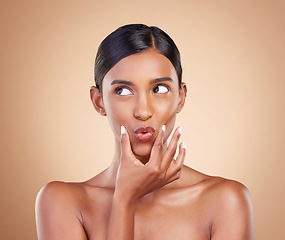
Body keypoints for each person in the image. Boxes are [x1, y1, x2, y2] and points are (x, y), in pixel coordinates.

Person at [35, 24, 254, 240]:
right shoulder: (62, 202)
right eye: (123, 90)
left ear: (181, 97)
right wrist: (124, 199)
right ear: (98, 101)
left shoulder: (226, 201)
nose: (143, 111)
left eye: (159, 89)